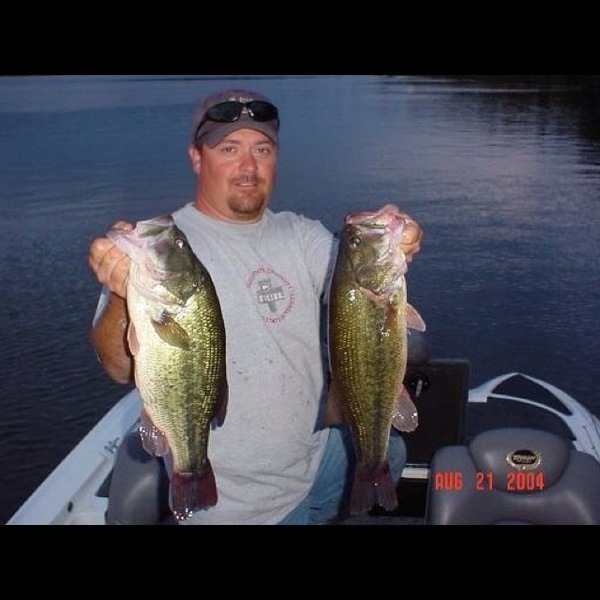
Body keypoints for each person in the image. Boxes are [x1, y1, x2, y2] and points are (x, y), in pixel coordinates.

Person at [87, 88, 423, 525]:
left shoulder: (302, 234)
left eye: (262, 150)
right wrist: (119, 293)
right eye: (229, 149)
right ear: (196, 157)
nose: (249, 167)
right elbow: (117, 367)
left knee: (389, 451)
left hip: (313, 457)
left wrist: (397, 244)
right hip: (243, 506)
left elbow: (355, 289)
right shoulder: (162, 249)